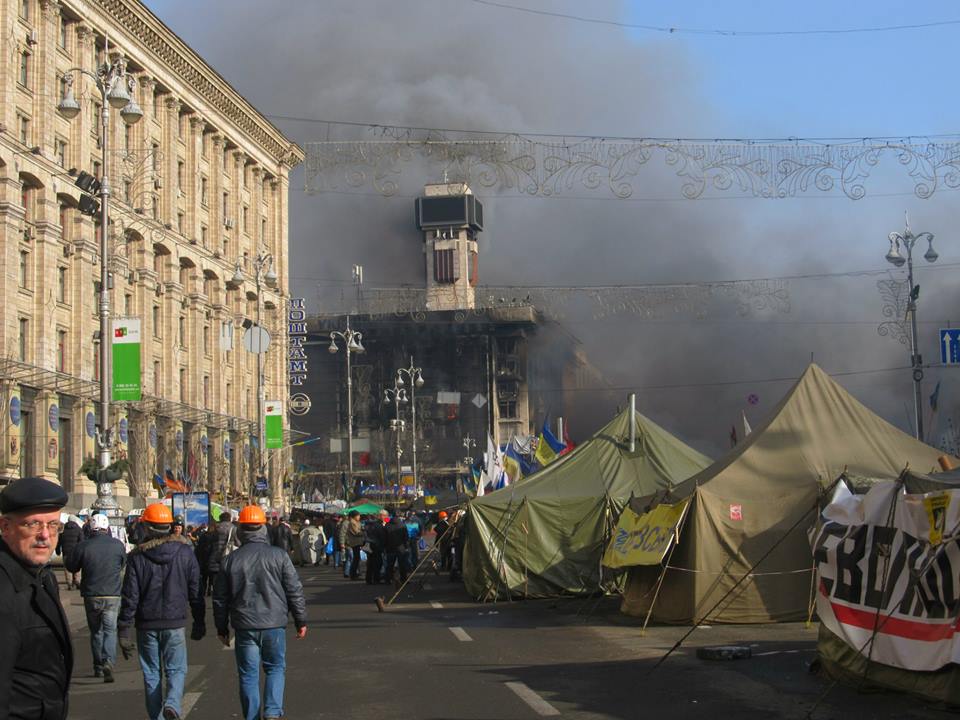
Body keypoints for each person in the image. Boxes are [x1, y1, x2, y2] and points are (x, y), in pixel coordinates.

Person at [214, 505, 307, 720]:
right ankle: (273, 711)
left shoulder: (230, 560)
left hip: (244, 625)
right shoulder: (279, 556)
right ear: (263, 528)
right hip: (274, 623)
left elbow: (220, 598)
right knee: (275, 668)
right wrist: (300, 619)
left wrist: (221, 627)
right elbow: (294, 589)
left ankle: (252, 716)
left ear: (241, 530)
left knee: (248, 675)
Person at [119, 503, 205, 720]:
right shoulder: (185, 552)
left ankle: (158, 717)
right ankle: (173, 704)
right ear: (169, 526)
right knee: (176, 669)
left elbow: (130, 596)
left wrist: (123, 629)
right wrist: (199, 620)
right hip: (174, 621)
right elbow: (196, 589)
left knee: (151, 674)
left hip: (146, 624)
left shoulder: (137, 557)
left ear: (147, 527)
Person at [0, 476, 73, 720]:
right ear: (5, 527)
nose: (45, 535)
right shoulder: (5, 588)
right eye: (33, 524)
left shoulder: (42, 576)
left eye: (53, 525)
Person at [65, 512, 126, 682]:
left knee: (96, 632)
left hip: (91, 594)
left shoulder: (84, 546)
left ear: (91, 528)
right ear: (107, 528)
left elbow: (71, 566)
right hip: (112, 594)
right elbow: (122, 564)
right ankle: (109, 662)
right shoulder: (117, 545)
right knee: (109, 630)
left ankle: (98, 666)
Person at [206, 511, 239, 595]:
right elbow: (238, 543)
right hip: (229, 559)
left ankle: (217, 597)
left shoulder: (215, 528)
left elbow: (209, 544)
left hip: (215, 559)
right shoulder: (234, 528)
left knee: (217, 583)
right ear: (229, 519)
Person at [58, 512, 83, 589]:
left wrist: (58, 550)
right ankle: (77, 581)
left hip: (66, 552)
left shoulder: (63, 530)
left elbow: (59, 541)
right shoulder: (79, 529)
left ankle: (69, 583)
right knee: (77, 566)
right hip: (76, 552)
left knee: (67, 567)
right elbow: (81, 540)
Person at [384, 515, 411, 585]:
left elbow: (384, 538)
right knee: (402, 565)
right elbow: (406, 537)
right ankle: (404, 579)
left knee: (389, 565)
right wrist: (406, 547)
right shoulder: (402, 525)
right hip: (401, 548)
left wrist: (385, 546)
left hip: (390, 548)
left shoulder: (387, 525)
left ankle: (388, 579)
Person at [338, 510, 365, 580]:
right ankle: (351, 573)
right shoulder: (350, 523)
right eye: (358, 515)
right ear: (354, 516)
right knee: (352, 559)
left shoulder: (356, 522)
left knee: (355, 558)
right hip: (351, 543)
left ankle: (354, 573)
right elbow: (342, 533)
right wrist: (342, 543)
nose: (359, 517)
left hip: (355, 542)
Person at [364, 515, 385, 585]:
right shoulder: (378, 526)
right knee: (378, 563)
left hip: (369, 545)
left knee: (370, 563)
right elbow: (382, 537)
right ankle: (376, 579)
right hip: (376, 546)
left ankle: (368, 579)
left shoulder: (368, 525)